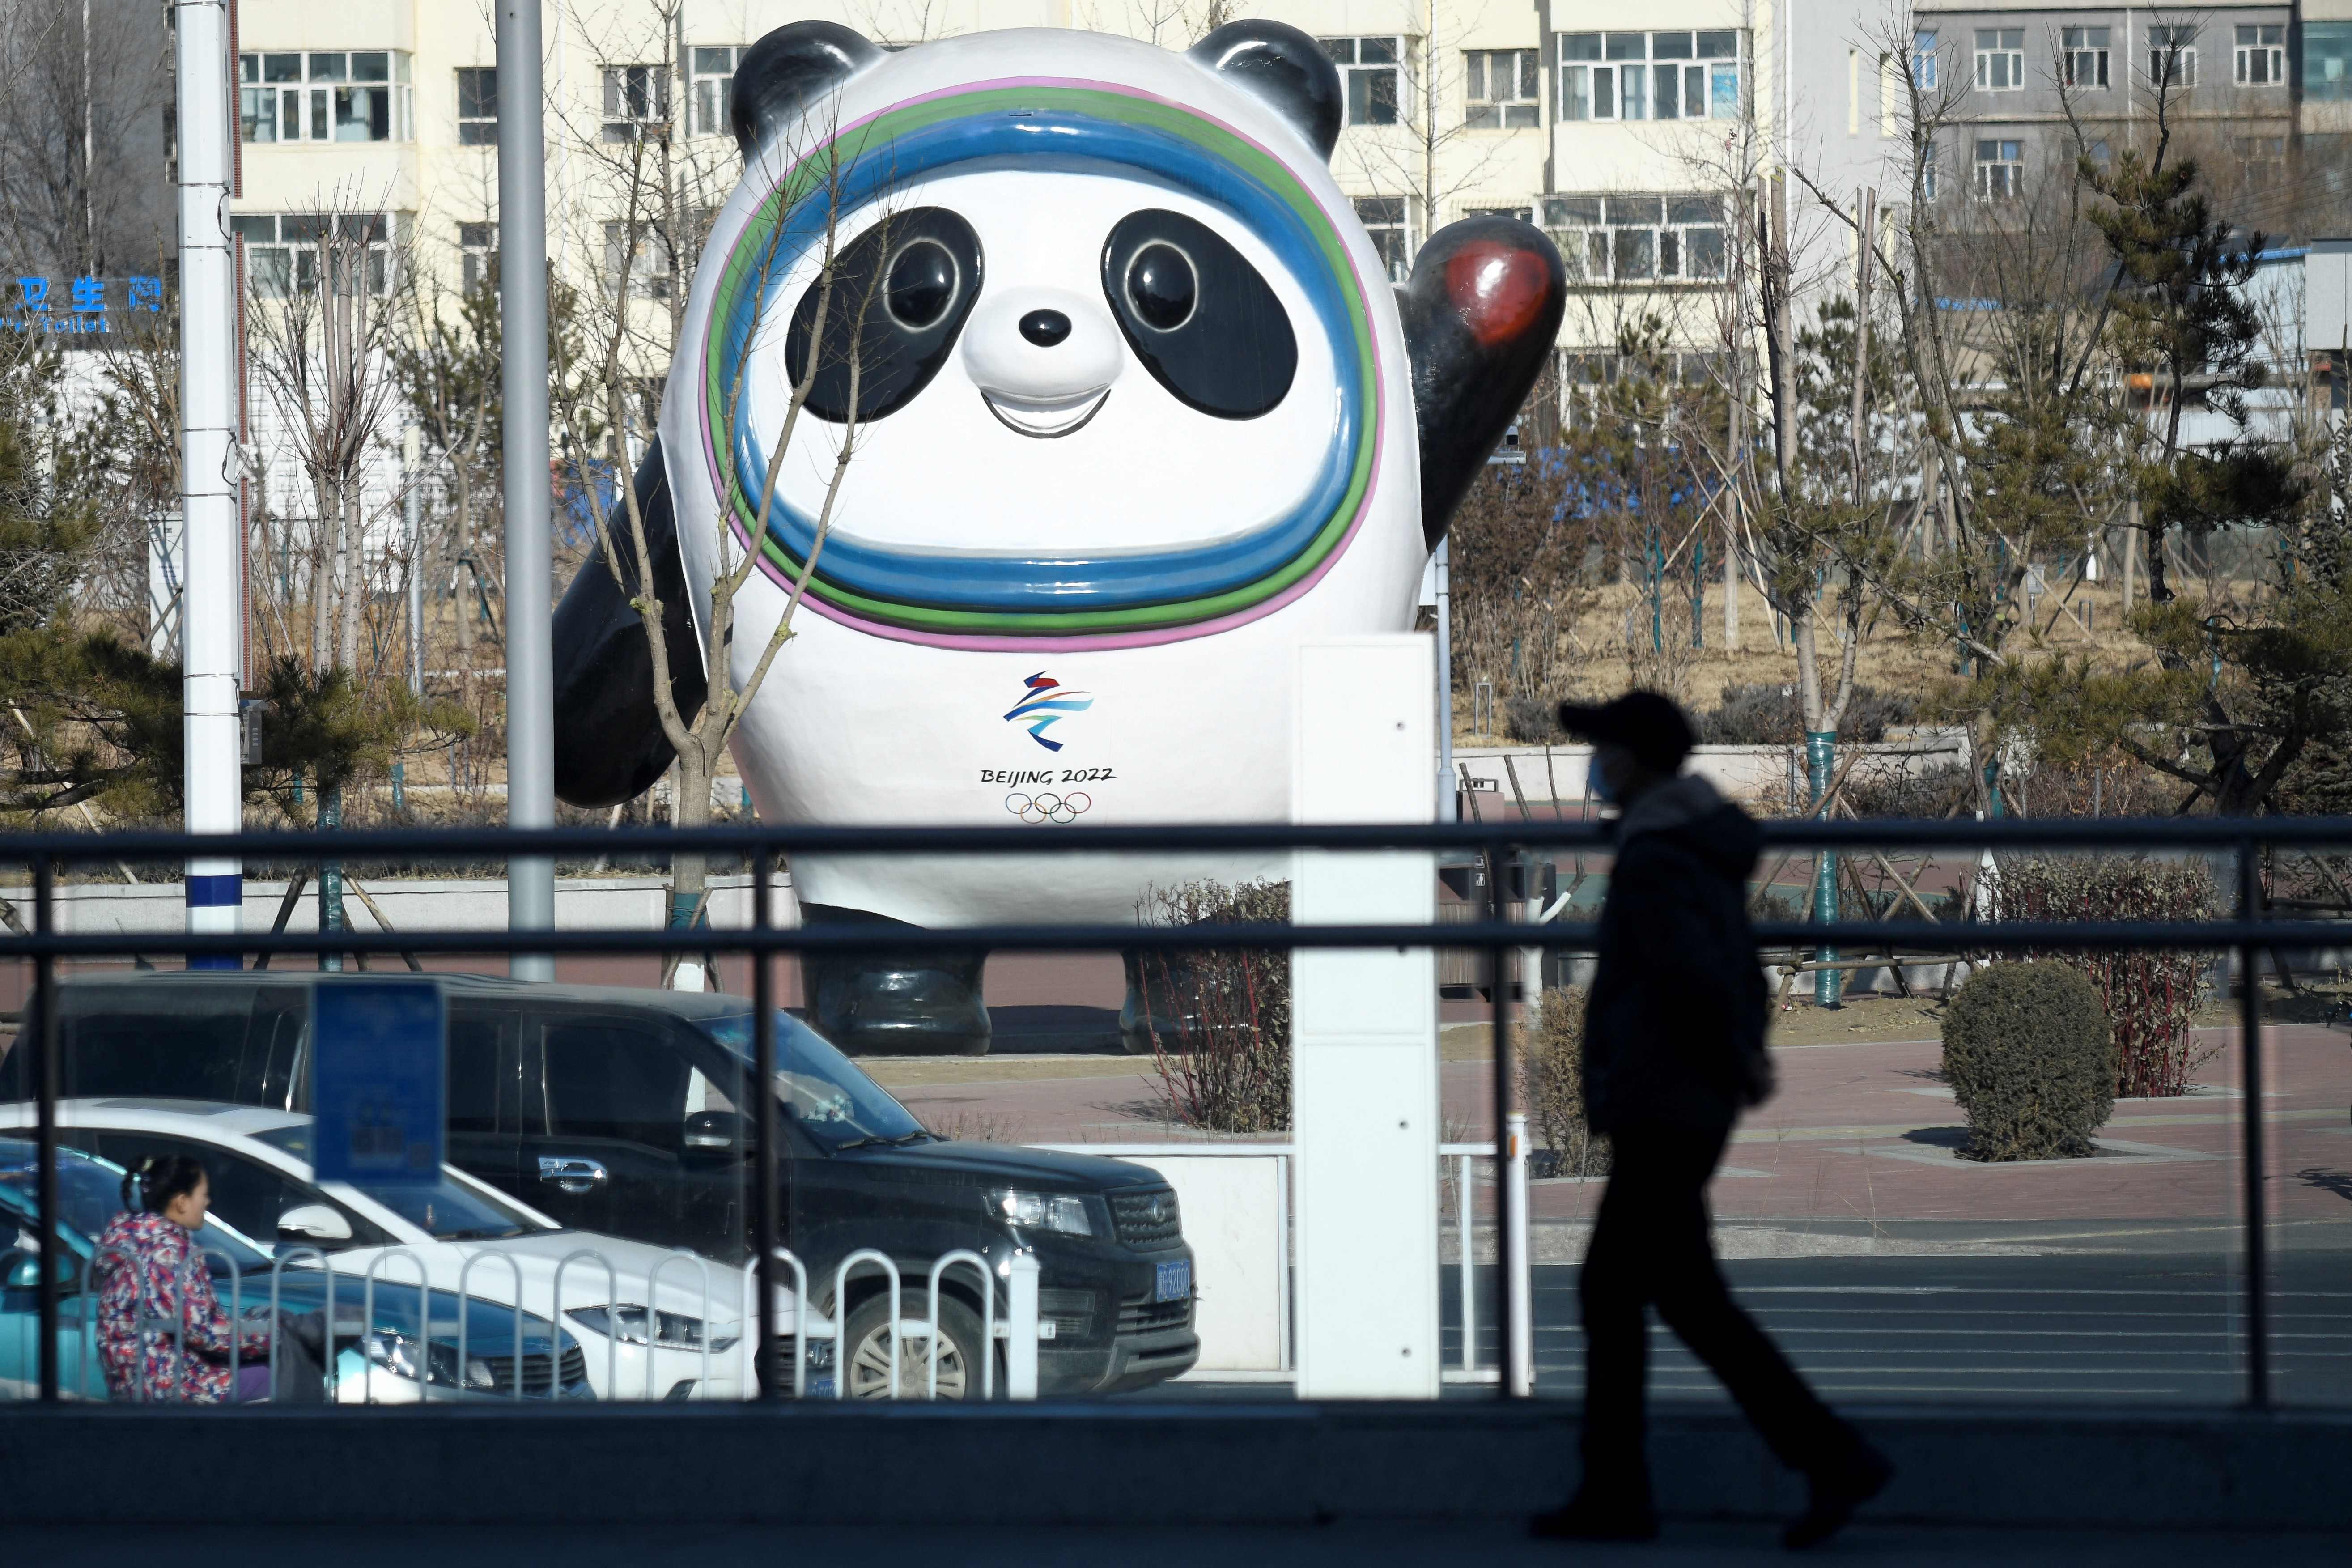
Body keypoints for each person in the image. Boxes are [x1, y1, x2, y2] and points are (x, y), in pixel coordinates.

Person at [1530, 691, 1893, 1551]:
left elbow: (1691, 974)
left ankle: (1634, 1495)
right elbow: (1735, 971)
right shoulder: (1686, 843)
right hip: (1687, 1098)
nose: (1594, 765)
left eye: (1604, 750)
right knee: (1679, 1299)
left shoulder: (1659, 856)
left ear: (1634, 762)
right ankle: (1819, 1459)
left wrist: (1727, 1058)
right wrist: (1739, 1058)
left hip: (1667, 1099)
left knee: (1618, 1293)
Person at [94, 1154, 273, 1403]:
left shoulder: (135, 1244)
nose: (208, 1202)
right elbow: (207, 1332)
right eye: (203, 1195)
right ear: (181, 1202)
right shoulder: (167, 1252)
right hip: (168, 1383)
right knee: (283, 1375)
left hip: (139, 1380)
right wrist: (275, 1336)